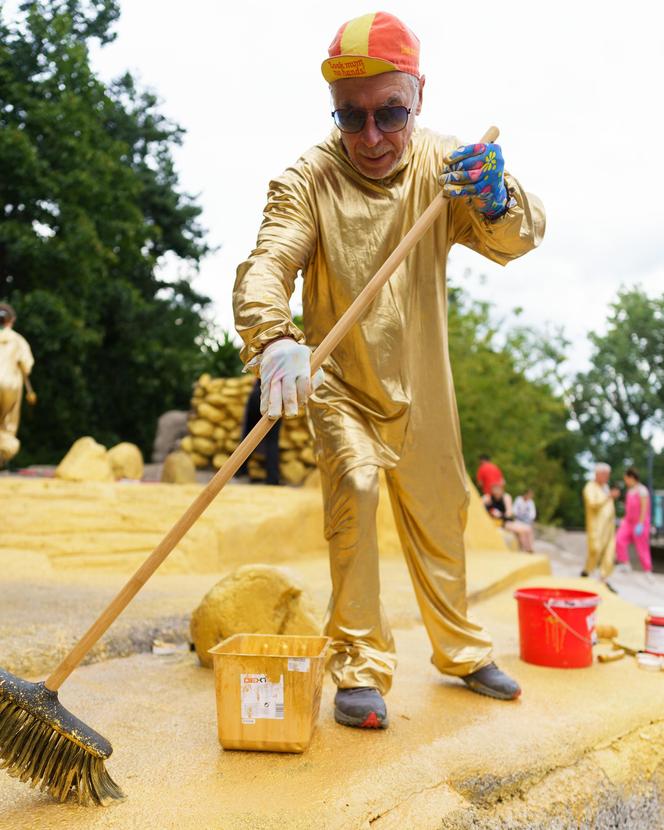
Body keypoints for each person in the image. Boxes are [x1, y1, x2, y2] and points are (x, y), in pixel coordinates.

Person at [233, 11, 545, 729]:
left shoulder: (449, 169)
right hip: (338, 383)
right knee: (358, 492)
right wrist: (275, 335)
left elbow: (518, 238)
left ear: (419, 96)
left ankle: (462, 650)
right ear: (334, 112)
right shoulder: (307, 179)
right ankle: (359, 665)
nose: (371, 138)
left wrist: (498, 198)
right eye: (351, 117)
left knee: (443, 513)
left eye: (389, 114)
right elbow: (267, 263)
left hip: (425, 384)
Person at [0, 302, 34, 468]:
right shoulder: (18, 340)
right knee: (7, 423)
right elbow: (26, 366)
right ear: (11, 321)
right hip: (10, 386)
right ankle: (3, 456)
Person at [236, 379, 282, 485]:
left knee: (248, 435)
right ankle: (272, 478)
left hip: (258, 392)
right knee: (272, 441)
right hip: (274, 396)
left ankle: (240, 469)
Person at [582, 463, 619, 588]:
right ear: (598, 474)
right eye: (605, 475)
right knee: (595, 549)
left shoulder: (605, 487)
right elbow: (593, 503)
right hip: (596, 527)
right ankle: (587, 572)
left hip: (608, 528)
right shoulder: (590, 487)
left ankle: (604, 577)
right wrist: (608, 496)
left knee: (609, 553)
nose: (607, 477)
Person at [615, 467, 653, 582]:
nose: (625, 481)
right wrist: (623, 519)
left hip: (640, 523)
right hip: (628, 522)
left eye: (626, 478)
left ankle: (647, 570)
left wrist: (641, 523)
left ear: (631, 477)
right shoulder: (629, 491)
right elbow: (628, 508)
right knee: (619, 539)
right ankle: (625, 563)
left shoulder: (642, 490)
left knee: (642, 548)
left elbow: (644, 507)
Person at [483, 483, 535, 553]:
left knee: (527, 530)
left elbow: (509, 514)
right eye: (495, 490)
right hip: (502, 523)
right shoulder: (488, 499)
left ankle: (529, 549)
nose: (496, 492)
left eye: (498, 490)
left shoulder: (505, 498)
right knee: (525, 530)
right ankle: (528, 549)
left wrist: (500, 515)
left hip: (505, 520)